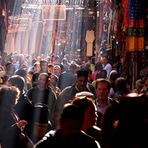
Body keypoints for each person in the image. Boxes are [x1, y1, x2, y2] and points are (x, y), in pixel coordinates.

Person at [34, 104, 101, 148]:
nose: (73, 132)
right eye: (70, 128)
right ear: (61, 123)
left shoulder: (90, 144)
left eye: (76, 128)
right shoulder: (49, 141)